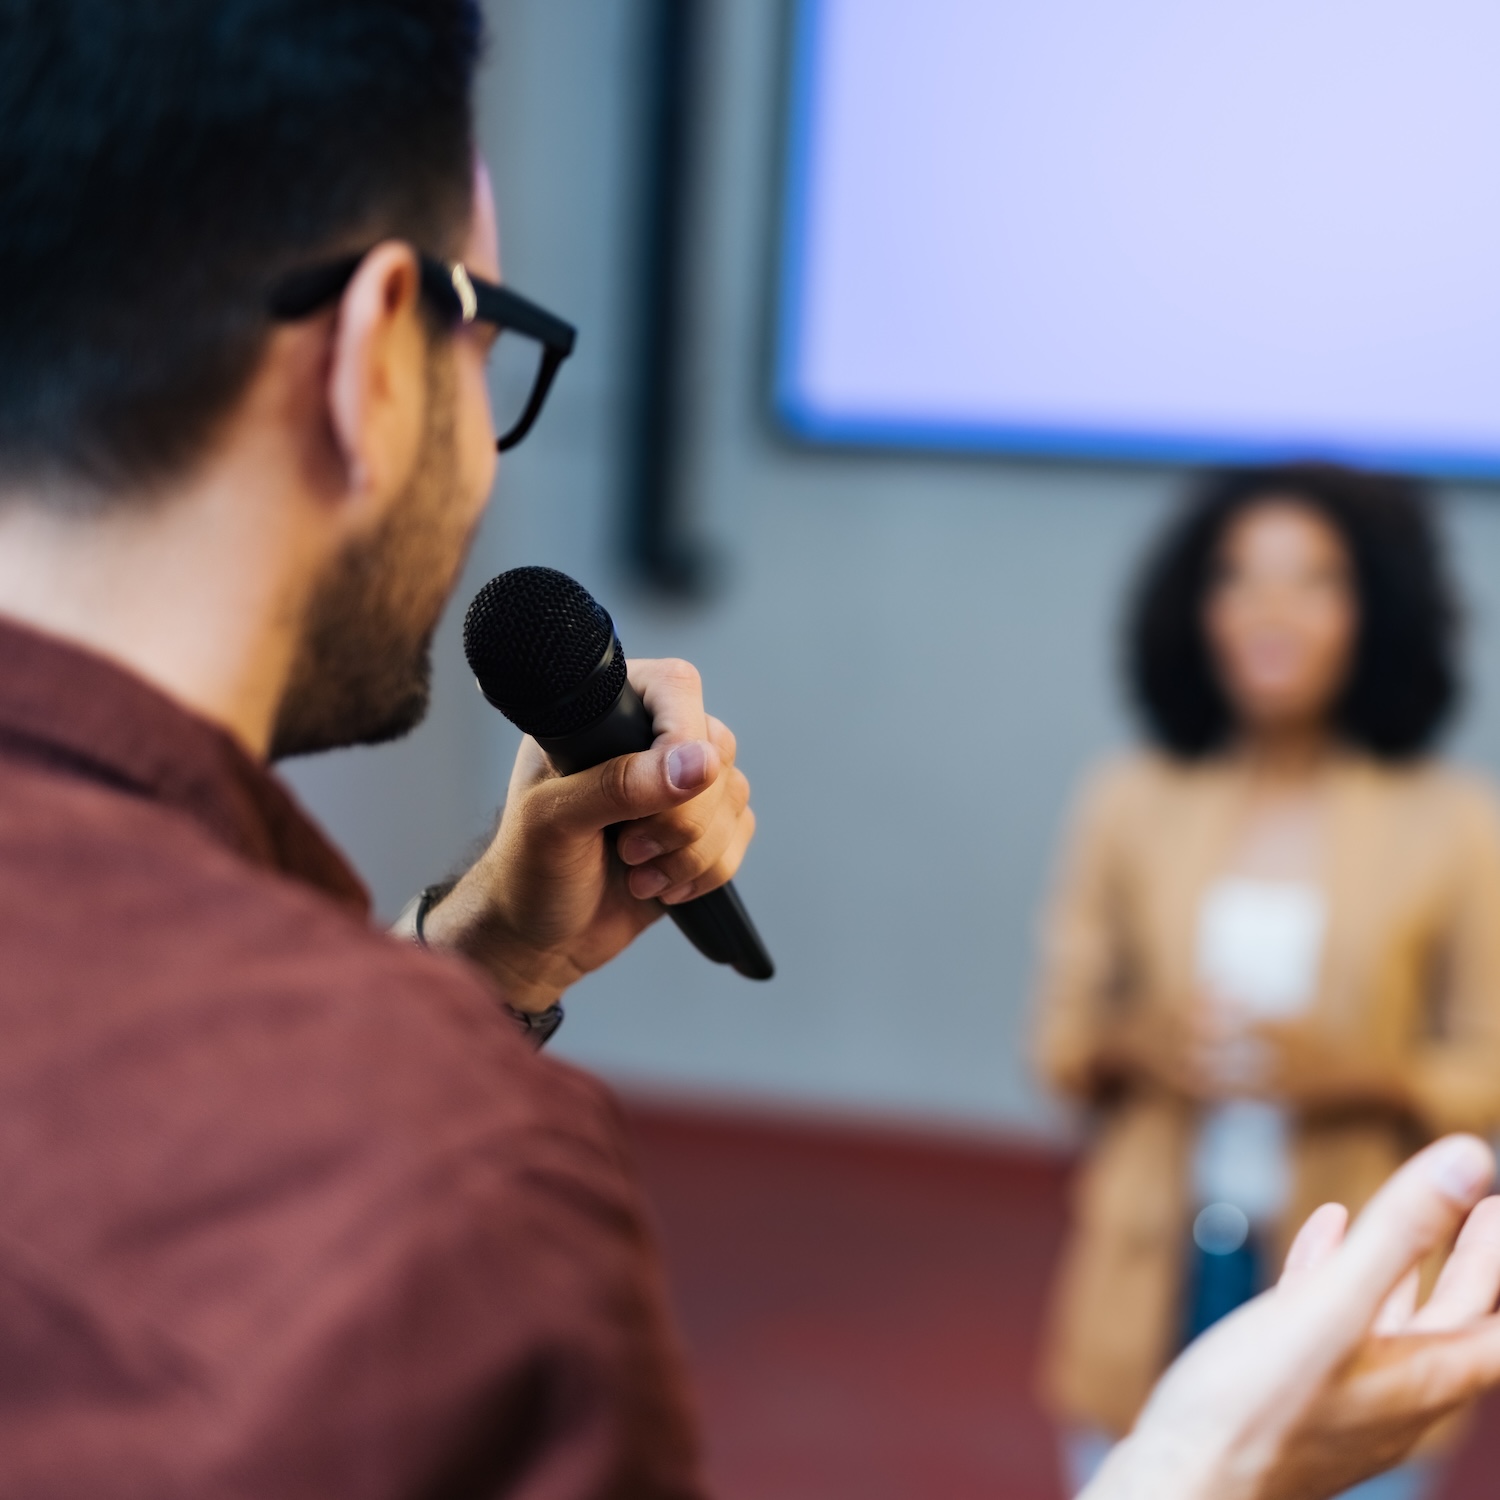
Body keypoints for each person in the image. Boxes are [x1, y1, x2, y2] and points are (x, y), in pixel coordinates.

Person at [5, 7, 1500, 1498]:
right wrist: (1198, 1470)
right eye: (492, 339)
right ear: (373, 360)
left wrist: (476, 967)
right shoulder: (452, 1179)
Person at [1033, 464, 1500, 1498]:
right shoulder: (1129, 800)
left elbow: (1486, 1067)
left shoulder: (1453, 822)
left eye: (1314, 580)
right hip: (1152, 1262)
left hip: (1348, 1282)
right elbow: (1060, 1046)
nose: (1270, 611)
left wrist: (1362, 1072)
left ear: (1375, 611)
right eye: (1238, 577)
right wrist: (1135, 1043)